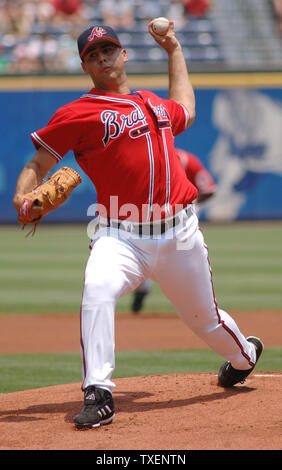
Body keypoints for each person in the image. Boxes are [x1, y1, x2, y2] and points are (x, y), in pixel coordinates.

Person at [13, 20, 263, 430]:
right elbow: (38, 163)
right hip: (118, 233)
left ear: (123, 55)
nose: (102, 57)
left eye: (108, 49)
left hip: (179, 234)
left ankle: (244, 357)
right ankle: (99, 392)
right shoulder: (78, 112)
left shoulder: (154, 105)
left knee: (207, 322)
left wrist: (174, 49)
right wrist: (22, 199)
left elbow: (187, 106)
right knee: (97, 289)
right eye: (92, 55)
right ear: (85, 66)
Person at [131, 148, 216, 313]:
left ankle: (195, 297)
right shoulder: (147, 159)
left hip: (181, 217)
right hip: (150, 214)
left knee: (184, 254)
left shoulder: (187, 161)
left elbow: (209, 190)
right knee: (140, 247)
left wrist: (192, 204)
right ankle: (142, 288)